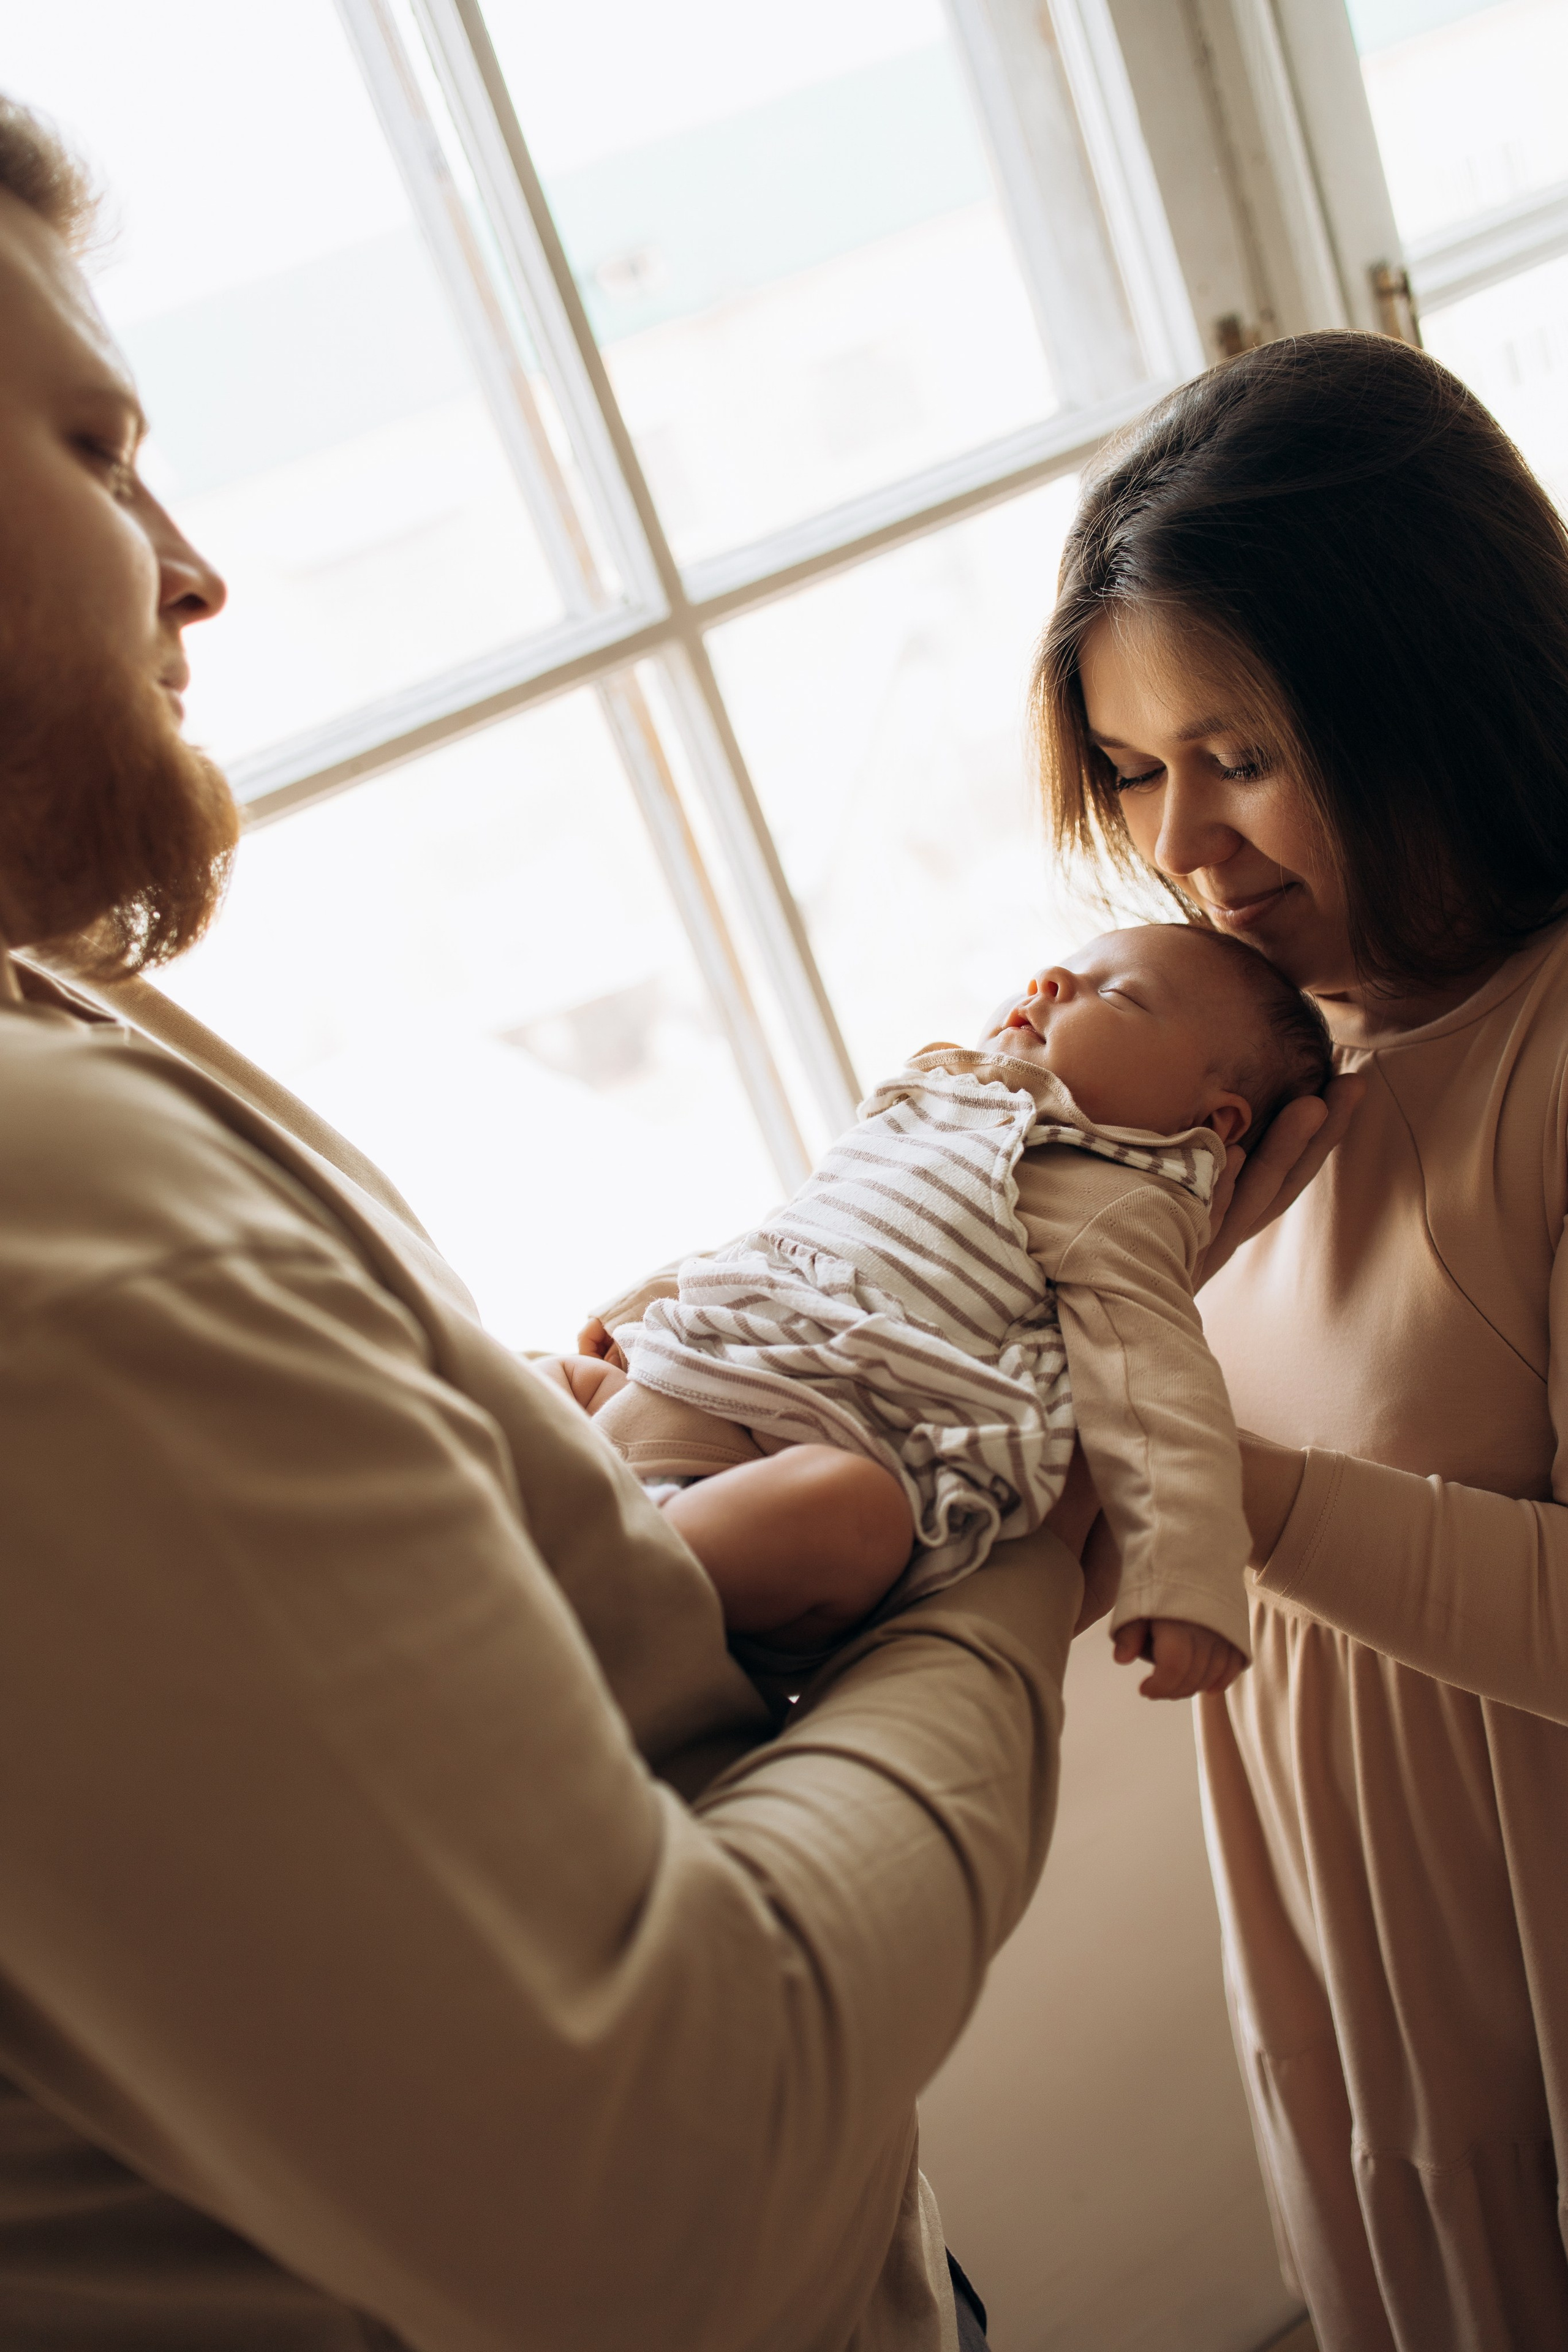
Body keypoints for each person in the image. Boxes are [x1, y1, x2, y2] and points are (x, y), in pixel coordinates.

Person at [0, 91, 1110, 2352]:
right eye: (96, 454)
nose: (191, 568)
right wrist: (1005, 1571)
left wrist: (530, 1448)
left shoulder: (58, 1031)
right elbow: (672, 2200)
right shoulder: (51, 1208)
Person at [1035, 328, 1568, 2350]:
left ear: (1433, 693)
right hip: (1363, 1969)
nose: (1181, 842)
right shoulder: (1249, 1045)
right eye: (1132, 769)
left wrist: (1229, 1498)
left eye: (1238, 756)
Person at [552, 925, 1329, 1702]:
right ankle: (563, 1537)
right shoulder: (928, 1108)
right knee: (545, 1376)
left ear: (1216, 1121)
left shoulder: (1119, 1200)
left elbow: (1162, 1390)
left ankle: (581, 1586)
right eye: (1057, 970)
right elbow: (797, 1232)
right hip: (682, 1390)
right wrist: (647, 1300)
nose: (1051, 978)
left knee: (849, 1507)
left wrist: (1188, 1575)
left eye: (1119, 994)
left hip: (789, 1467)